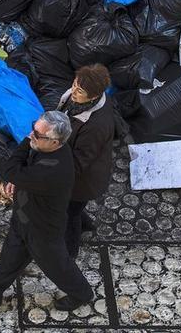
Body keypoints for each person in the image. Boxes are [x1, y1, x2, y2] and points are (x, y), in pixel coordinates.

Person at [0, 111, 93, 311]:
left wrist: (24, 147)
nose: (32, 135)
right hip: (24, 217)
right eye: (33, 129)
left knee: (58, 266)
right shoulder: (48, 149)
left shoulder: (52, 169)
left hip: (42, 230)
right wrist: (21, 180)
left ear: (56, 143)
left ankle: (82, 293)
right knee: (9, 258)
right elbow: (22, 171)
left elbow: (10, 170)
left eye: (38, 135)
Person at [57, 64, 114, 259]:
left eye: (79, 91)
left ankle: (69, 254)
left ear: (94, 96)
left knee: (69, 213)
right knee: (75, 208)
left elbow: (79, 162)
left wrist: (53, 171)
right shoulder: (76, 99)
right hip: (79, 169)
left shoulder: (96, 125)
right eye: (74, 84)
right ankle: (88, 225)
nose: (74, 91)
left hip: (83, 180)